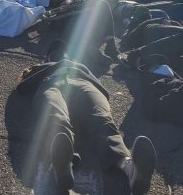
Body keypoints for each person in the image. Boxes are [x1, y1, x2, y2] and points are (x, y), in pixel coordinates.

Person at [15, 40, 157, 194]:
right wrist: (40, 69)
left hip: (83, 83)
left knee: (102, 119)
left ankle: (130, 168)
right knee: (55, 117)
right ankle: (61, 166)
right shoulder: (41, 69)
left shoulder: (81, 67)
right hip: (52, 82)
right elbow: (23, 86)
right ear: (48, 57)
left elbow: (102, 65)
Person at [117, 7, 183, 74]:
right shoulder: (143, 21)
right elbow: (126, 42)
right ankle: (138, 54)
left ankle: (153, 61)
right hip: (152, 31)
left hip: (177, 41)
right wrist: (158, 20)